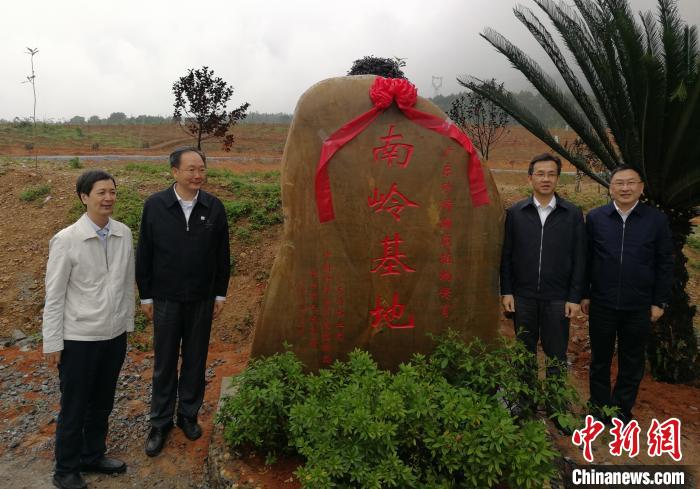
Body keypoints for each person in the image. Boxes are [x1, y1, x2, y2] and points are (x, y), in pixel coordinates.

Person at [136, 147, 230, 457]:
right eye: (190, 169)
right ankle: (160, 422)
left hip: (201, 299)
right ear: (174, 172)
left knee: (195, 359)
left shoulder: (214, 208)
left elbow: (222, 257)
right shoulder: (155, 206)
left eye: (201, 168)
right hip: (165, 299)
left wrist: (219, 294)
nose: (197, 175)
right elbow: (145, 254)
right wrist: (146, 296)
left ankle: (187, 415)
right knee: (164, 363)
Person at [42, 170, 134, 489]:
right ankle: (65, 469)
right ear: (84, 197)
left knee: (103, 402)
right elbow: (54, 296)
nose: (108, 198)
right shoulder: (67, 239)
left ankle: (92, 455)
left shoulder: (123, 233)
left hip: (113, 336)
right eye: (100, 192)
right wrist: (52, 342)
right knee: (75, 405)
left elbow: (125, 285)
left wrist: (126, 324)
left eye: (112, 191)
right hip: (78, 339)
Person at [581, 165, 673, 424]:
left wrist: (659, 301)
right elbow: (587, 259)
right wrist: (585, 293)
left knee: (631, 361)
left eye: (630, 183)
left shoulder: (656, 220)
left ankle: (621, 411)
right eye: (619, 183)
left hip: (639, 305)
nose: (625, 188)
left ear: (641, 187)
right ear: (610, 188)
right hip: (602, 302)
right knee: (600, 358)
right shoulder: (597, 218)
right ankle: (599, 409)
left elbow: (665, 262)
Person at [500, 153, 586, 379]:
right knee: (525, 352)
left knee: (556, 353)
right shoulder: (516, 213)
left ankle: (556, 408)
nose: (545, 179)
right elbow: (506, 255)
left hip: (557, 297)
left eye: (551, 174)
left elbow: (580, 259)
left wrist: (574, 297)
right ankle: (525, 402)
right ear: (530, 179)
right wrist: (507, 291)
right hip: (523, 296)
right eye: (540, 174)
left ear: (558, 179)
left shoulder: (572, 214)